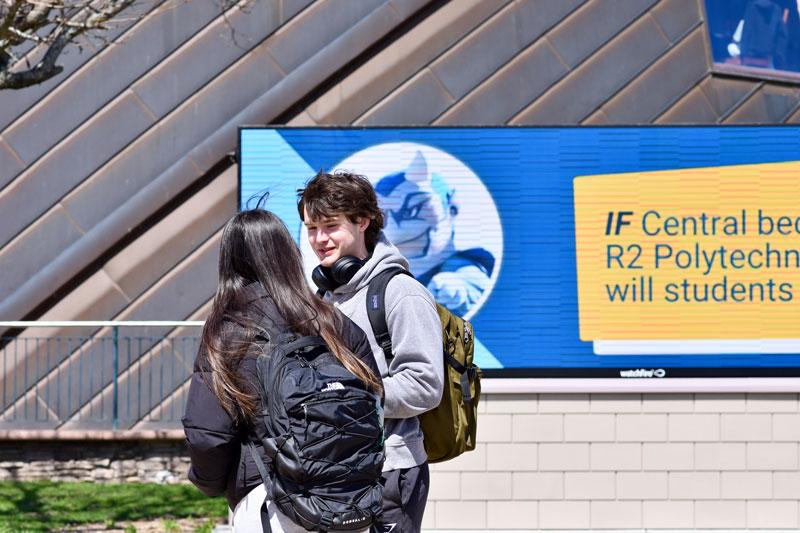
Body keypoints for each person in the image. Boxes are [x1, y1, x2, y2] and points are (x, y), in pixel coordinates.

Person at [182, 209, 382, 533]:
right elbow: (372, 401)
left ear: (230, 261)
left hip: (271, 503)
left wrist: (211, 484)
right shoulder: (334, 321)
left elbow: (208, 434)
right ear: (288, 254)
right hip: (351, 501)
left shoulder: (229, 331)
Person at [298, 170, 444, 533]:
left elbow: (426, 385)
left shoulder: (401, 293)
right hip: (334, 471)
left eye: (330, 226)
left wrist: (350, 400)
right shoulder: (325, 295)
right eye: (311, 228)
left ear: (363, 221)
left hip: (389, 472)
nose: (319, 239)